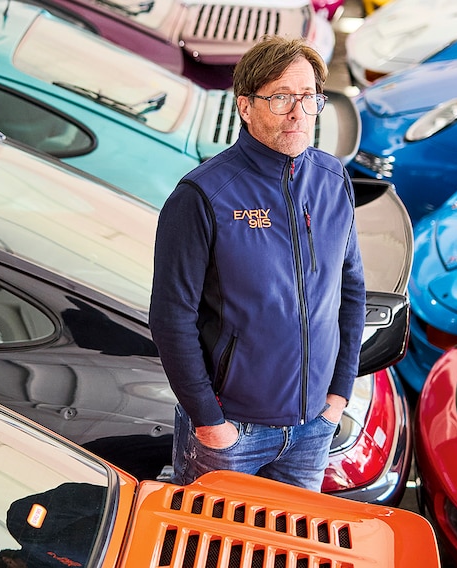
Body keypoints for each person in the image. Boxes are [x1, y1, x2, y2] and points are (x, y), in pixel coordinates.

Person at [149, 35, 366, 491]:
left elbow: (350, 291)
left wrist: (338, 395)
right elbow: (171, 318)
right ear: (245, 106)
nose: (298, 113)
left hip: (312, 430)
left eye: (309, 98)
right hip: (232, 433)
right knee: (210, 534)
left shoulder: (333, 180)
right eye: (281, 97)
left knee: (293, 535)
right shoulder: (203, 196)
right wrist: (210, 422)